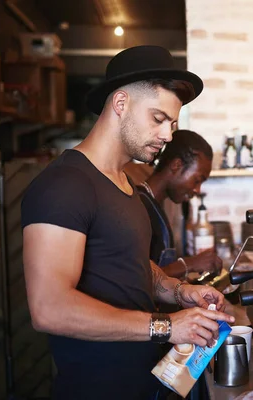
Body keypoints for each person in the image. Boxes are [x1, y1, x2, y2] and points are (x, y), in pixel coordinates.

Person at [21, 45, 235, 400]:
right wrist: (166, 326)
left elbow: (131, 264)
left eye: (173, 124)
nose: (168, 135)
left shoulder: (124, 185)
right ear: (120, 104)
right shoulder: (65, 185)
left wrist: (179, 291)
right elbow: (49, 308)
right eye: (158, 119)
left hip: (145, 385)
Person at [137, 130, 221, 279]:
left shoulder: (157, 204)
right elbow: (139, 279)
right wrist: (190, 264)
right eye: (197, 180)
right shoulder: (139, 206)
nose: (197, 190)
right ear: (176, 165)